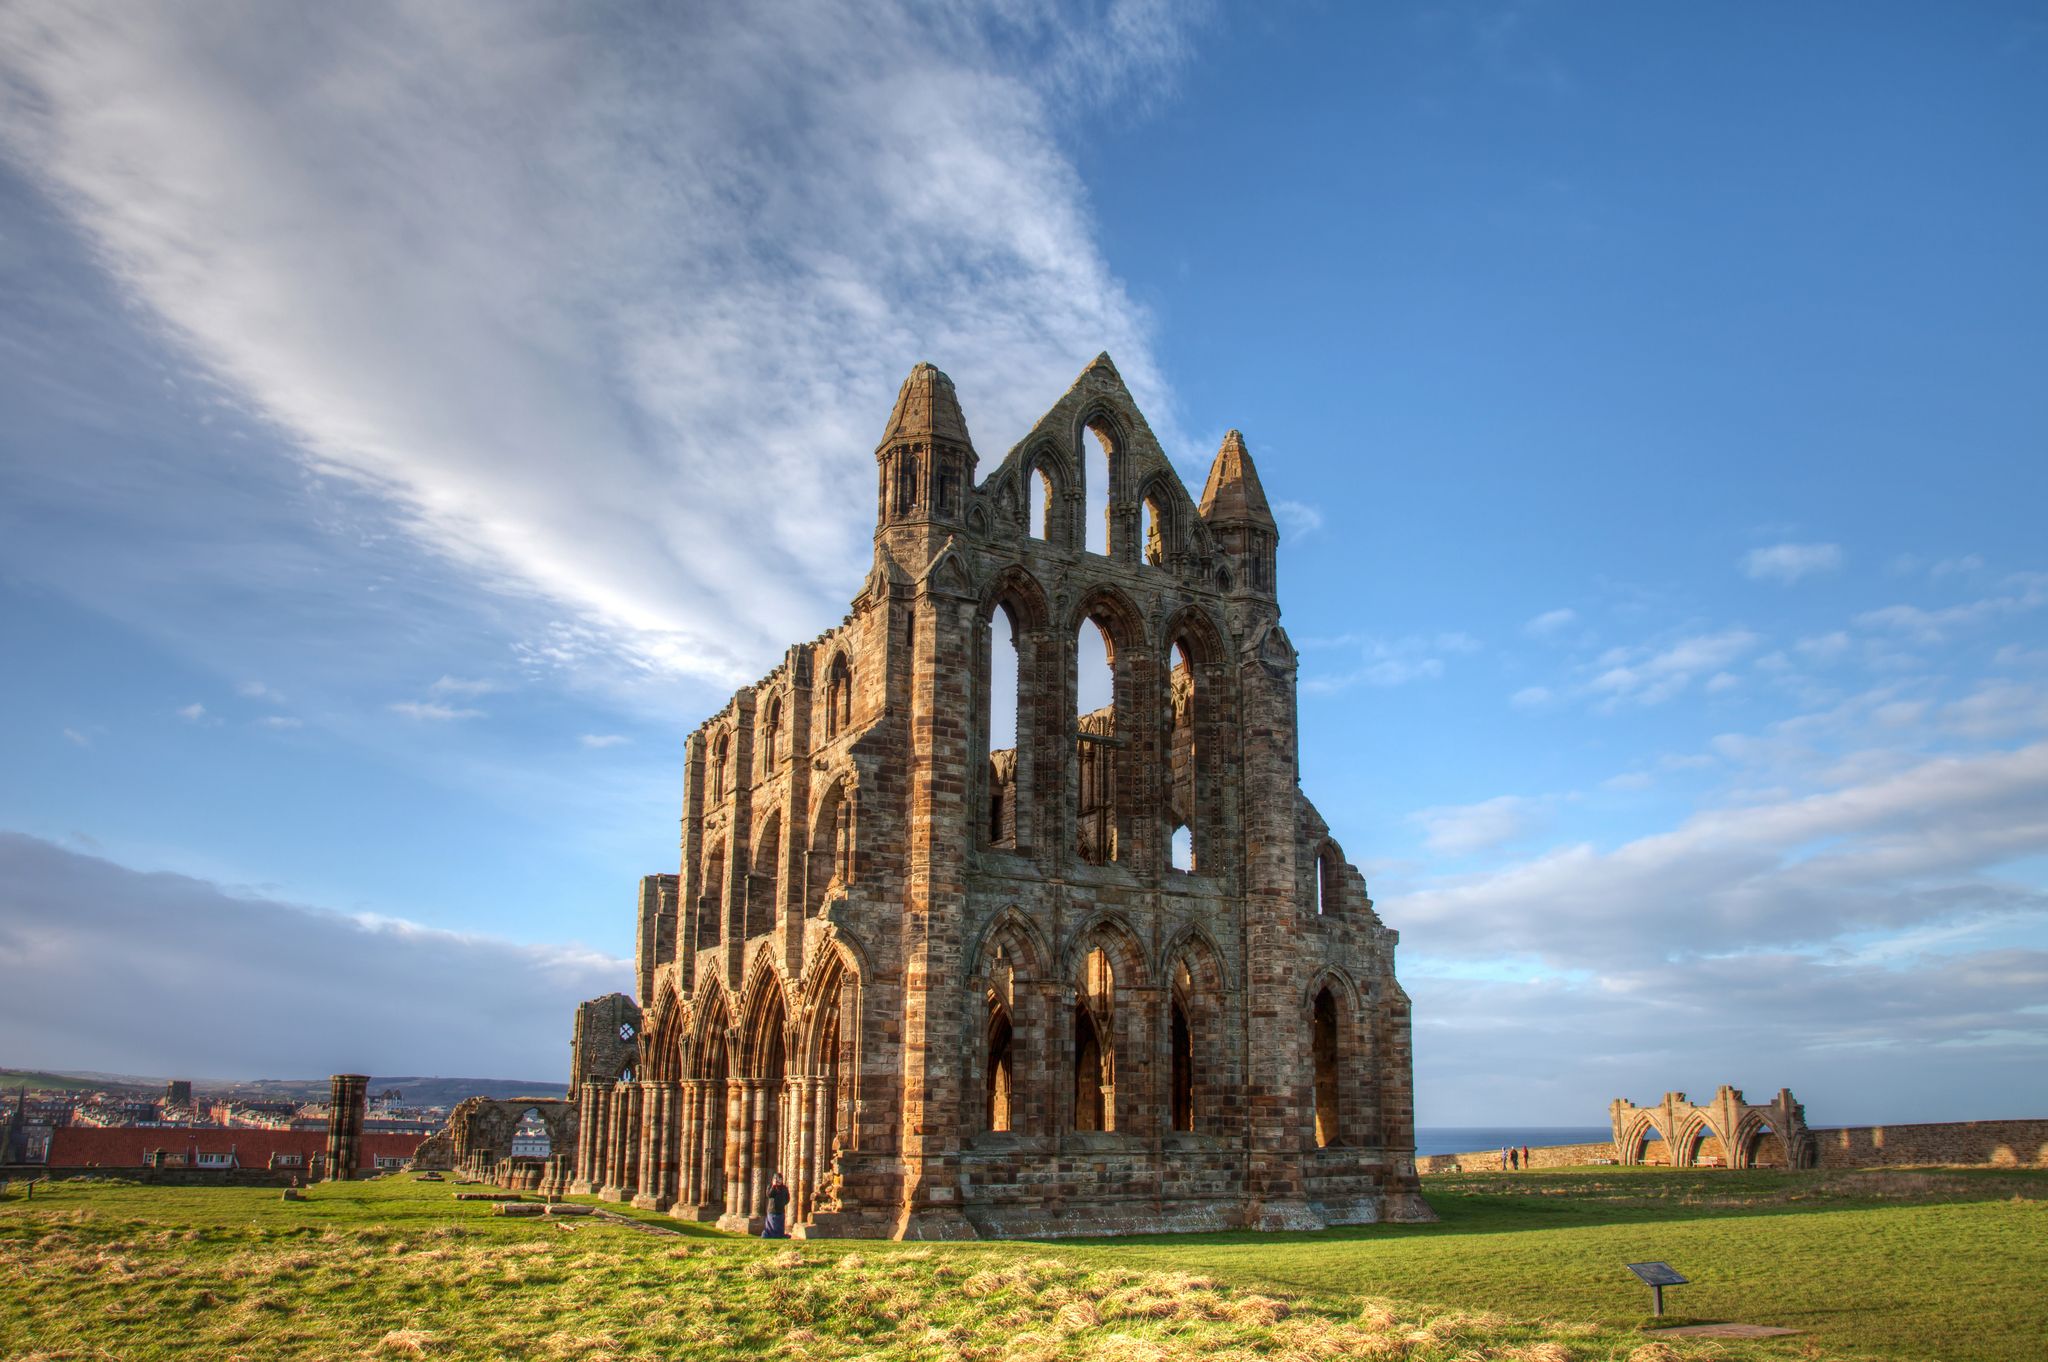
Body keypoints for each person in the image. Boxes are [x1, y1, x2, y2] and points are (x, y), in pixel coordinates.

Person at [763, 1172, 790, 1239]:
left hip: (781, 1211)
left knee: (780, 1227)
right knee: (772, 1227)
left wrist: (782, 1203)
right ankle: (770, 1237)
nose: (779, 1181)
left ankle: (780, 1236)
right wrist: (773, 1186)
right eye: (777, 1179)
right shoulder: (770, 1186)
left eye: (780, 1179)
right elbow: (769, 1195)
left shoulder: (784, 1188)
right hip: (772, 1211)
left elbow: (787, 1198)